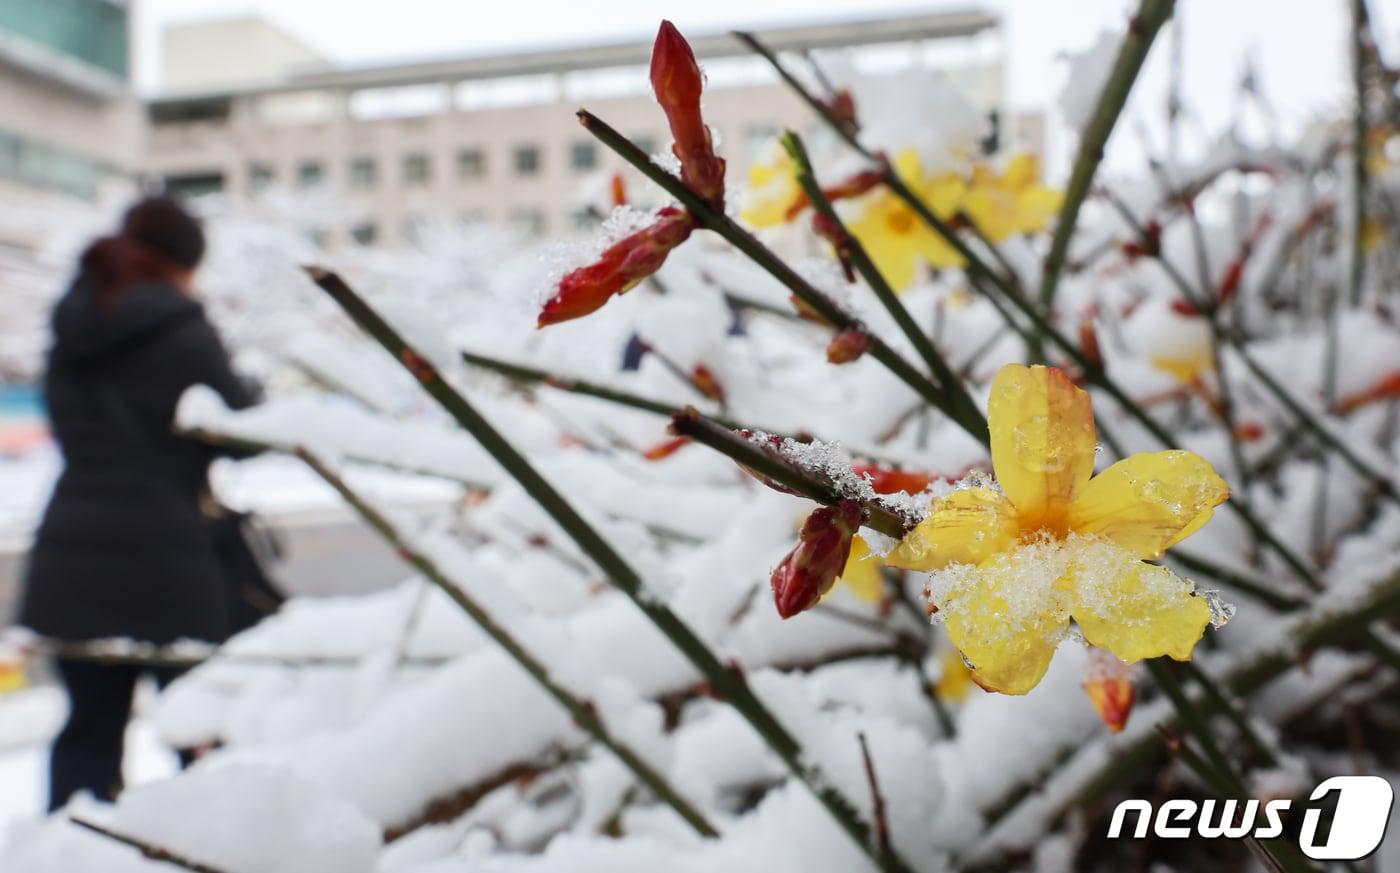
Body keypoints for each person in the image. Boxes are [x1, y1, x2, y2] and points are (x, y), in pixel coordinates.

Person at [19, 196, 258, 811]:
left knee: (87, 737)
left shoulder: (69, 327)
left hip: (70, 554)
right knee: (198, 731)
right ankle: (205, 846)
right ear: (182, 262)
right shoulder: (184, 329)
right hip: (169, 559)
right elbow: (242, 428)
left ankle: (71, 854)